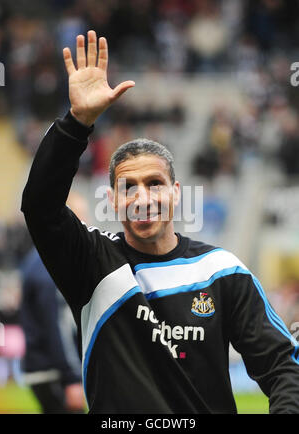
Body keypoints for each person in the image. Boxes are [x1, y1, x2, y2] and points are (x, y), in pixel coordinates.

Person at [21, 30, 299, 414]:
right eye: (129, 187)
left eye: (155, 184)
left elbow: (283, 366)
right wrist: (77, 123)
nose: (143, 198)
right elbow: (39, 207)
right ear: (113, 200)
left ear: (176, 192)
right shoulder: (91, 262)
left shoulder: (222, 271)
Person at [20, 193, 88, 414]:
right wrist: (72, 378)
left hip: (46, 369)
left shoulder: (38, 259)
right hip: (53, 372)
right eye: (80, 219)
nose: (85, 227)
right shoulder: (48, 266)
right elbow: (56, 326)